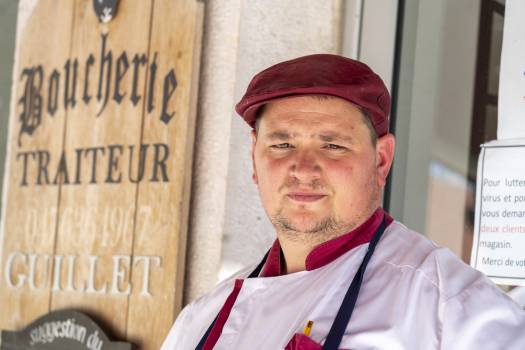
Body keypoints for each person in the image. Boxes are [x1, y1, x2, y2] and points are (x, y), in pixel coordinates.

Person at [161, 54, 525, 350]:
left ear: (381, 160)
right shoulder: (200, 318)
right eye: (282, 145)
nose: (302, 170)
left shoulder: (447, 307)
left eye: (332, 145)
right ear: (254, 158)